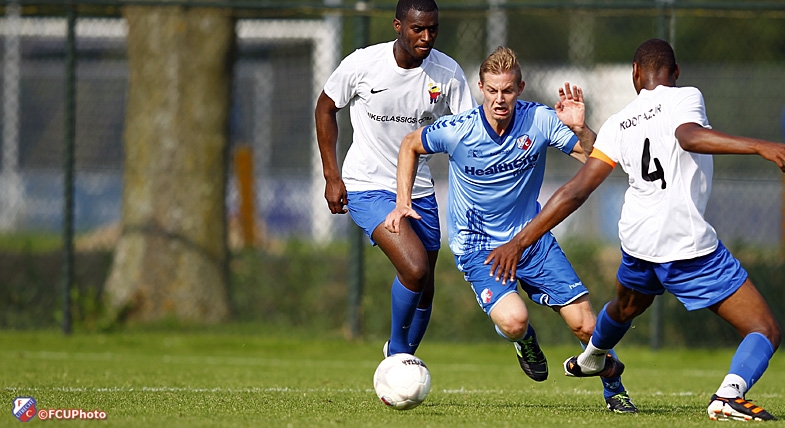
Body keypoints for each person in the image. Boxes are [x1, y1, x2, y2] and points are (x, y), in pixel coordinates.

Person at [499, 38, 784, 421]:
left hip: (637, 241)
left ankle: (593, 356)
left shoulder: (618, 122)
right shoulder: (685, 96)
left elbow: (576, 190)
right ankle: (729, 395)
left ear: (636, 73)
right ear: (675, 72)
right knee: (764, 329)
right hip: (684, 243)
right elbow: (689, 136)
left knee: (627, 305)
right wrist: (761, 147)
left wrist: (519, 241)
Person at [385, 46, 636, 413]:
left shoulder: (541, 120)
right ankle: (525, 342)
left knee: (585, 325)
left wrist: (582, 129)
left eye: (507, 90)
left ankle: (615, 389)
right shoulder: (459, 131)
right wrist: (402, 201)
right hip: (478, 248)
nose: (499, 99)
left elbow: (595, 159)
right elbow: (410, 144)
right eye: (492, 90)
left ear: (520, 87)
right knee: (515, 321)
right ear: (481, 89)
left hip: (531, 241)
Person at [314, 0, 476, 358]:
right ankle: (398, 354)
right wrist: (332, 176)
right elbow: (325, 107)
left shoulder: (447, 73)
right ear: (398, 26)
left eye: (433, 29)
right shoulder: (363, 64)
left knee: (425, 285)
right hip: (367, 185)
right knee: (414, 268)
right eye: (418, 28)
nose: (426, 36)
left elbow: (470, 132)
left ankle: (400, 364)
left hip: (418, 190)